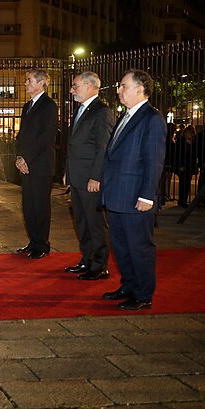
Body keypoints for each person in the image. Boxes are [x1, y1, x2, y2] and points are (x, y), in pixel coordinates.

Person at [101, 69, 167, 311]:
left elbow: (154, 160)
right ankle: (128, 286)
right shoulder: (126, 116)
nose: (119, 90)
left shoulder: (152, 119)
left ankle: (143, 294)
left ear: (140, 89)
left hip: (136, 196)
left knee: (139, 247)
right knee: (120, 246)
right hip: (117, 195)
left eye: (123, 86)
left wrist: (147, 195)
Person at [63, 71, 115, 279]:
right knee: (81, 222)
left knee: (95, 223)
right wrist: (67, 171)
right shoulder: (80, 110)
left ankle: (100, 265)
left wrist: (96, 177)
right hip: (76, 176)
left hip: (90, 179)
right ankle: (86, 259)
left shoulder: (102, 112)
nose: (72, 89)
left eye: (75, 85)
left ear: (90, 86)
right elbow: (73, 145)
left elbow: (103, 148)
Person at [14, 69, 58, 259]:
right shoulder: (27, 106)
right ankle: (33, 241)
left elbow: (45, 137)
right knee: (28, 205)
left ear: (41, 83)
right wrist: (18, 157)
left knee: (40, 206)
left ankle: (42, 244)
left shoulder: (49, 106)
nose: (26, 83)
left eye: (29, 80)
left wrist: (27, 158)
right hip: (26, 164)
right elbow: (22, 135)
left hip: (40, 164)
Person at [174, 124, 197, 208]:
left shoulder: (193, 142)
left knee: (187, 184)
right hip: (183, 165)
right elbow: (178, 154)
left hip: (190, 166)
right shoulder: (181, 142)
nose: (190, 134)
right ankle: (181, 200)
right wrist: (180, 165)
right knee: (183, 184)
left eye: (191, 133)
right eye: (188, 133)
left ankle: (184, 199)